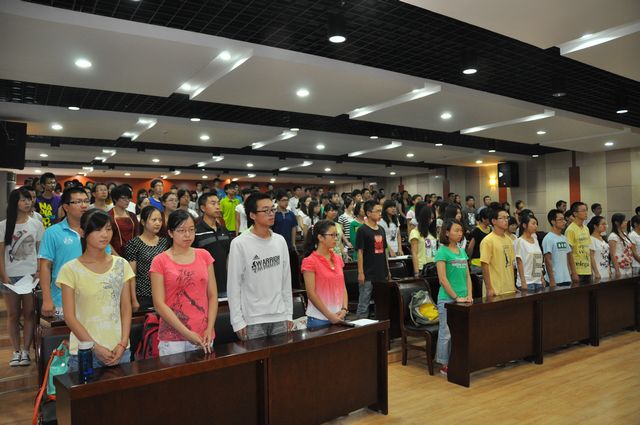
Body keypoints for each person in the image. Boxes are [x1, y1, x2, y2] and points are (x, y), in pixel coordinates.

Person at [57, 209, 134, 371]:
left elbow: (126, 308)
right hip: (84, 352)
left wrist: (123, 343)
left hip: (119, 350)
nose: (104, 235)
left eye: (108, 229)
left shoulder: (121, 264)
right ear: (82, 232)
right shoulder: (70, 269)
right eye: (98, 230)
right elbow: (69, 317)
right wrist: (94, 347)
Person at [150, 210, 217, 355]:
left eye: (191, 230)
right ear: (170, 233)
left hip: (203, 334)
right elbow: (159, 304)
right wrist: (187, 333)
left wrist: (210, 327)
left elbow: (212, 296)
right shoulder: (160, 261)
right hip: (173, 338)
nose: (187, 235)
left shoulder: (204, 255)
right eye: (181, 230)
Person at [227, 193, 293, 340]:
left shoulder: (280, 241)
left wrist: (288, 313)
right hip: (252, 319)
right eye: (265, 210)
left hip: (279, 315)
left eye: (273, 209)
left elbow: (286, 280)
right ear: (252, 215)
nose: (271, 213)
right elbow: (234, 285)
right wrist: (237, 321)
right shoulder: (239, 243)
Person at [39, 187, 112, 316]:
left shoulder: (97, 231)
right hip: (62, 299)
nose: (84, 205)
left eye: (86, 201)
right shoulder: (53, 232)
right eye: (78, 202)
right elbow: (45, 266)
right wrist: (47, 298)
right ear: (66, 207)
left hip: (95, 297)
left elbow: (107, 259)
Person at [0, 188, 44, 366]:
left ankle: (26, 351)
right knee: (12, 315)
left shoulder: (37, 224)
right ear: (14, 203)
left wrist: (39, 271)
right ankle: (16, 351)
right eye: (23, 200)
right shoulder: (3, 225)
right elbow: (1, 254)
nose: (28, 202)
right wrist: (3, 275)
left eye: (29, 199)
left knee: (29, 314)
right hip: (10, 277)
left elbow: (40, 251)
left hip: (30, 276)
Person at [435, 219, 472, 376]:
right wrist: (456, 297)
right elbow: (443, 279)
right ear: (447, 233)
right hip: (447, 298)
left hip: (463, 298)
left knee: (462, 331)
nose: (459, 233)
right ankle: (444, 363)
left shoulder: (462, 251)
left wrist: (469, 294)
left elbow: (467, 276)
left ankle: (459, 360)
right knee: (446, 332)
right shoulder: (442, 252)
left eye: (461, 230)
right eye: (456, 230)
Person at [301, 220, 349, 329]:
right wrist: (329, 316)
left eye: (336, 235)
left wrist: (344, 309)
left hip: (340, 316)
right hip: (319, 319)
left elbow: (343, 286)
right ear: (320, 237)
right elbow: (311, 294)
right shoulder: (310, 261)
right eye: (332, 235)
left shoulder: (337, 258)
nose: (336, 238)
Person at [125, 206, 170, 311]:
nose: (158, 223)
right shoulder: (134, 243)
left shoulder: (165, 242)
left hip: (164, 293)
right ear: (143, 222)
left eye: (160, 220)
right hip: (143, 295)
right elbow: (131, 275)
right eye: (154, 220)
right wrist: (133, 299)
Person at [356, 201, 390, 318]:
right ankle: (361, 326)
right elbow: (360, 252)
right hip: (368, 273)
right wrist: (360, 273)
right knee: (364, 303)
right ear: (369, 213)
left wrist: (388, 270)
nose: (380, 213)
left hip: (381, 272)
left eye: (381, 211)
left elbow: (384, 251)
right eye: (377, 211)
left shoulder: (381, 229)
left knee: (381, 303)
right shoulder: (362, 230)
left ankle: (379, 326)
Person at [193, 193, 231, 296]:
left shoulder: (223, 229)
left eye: (218, 203)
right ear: (203, 208)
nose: (218, 207)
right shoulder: (196, 231)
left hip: (225, 284)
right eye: (213, 203)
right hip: (205, 287)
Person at [480, 208, 516, 297]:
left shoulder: (509, 240)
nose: (506, 220)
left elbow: (510, 265)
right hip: (495, 290)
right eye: (502, 218)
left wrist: (513, 285)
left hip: (509, 288)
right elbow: (484, 265)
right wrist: (489, 288)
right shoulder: (488, 240)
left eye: (507, 218)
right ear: (494, 221)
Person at [542, 209, 577, 287]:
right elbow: (547, 260)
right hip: (555, 280)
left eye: (563, 219)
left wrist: (574, 273)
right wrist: (552, 280)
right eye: (560, 219)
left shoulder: (564, 238)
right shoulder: (548, 238)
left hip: (566, 278)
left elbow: (569, 256)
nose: (564, 222)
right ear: (553, 222)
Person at [514, 215, 544, 291]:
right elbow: (519, 262)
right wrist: (523, 282)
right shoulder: (519, 241)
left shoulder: (535, 240)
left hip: (538, 281)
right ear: (524, 225)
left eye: (536, 224)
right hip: (527, 282)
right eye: (533, 224)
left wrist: (541, 278)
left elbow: (538, 260)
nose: (536, 226)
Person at [108, 185, 139, 256]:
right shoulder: (109, 216)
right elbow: (107, 240)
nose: (127, 201)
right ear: (115, 199)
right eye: (123, 198)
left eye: (128, 198)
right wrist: (116, 256)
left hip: (133, 253)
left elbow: (137, 235)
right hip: (114, 252)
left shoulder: (132, 216)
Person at [565, 202, 592, 283]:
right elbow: (569, 253)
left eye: (586, 210)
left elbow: (588, 249)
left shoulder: (586, 228)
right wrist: (573, 272)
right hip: (577, 270)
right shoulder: (570, 230)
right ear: (575, 213)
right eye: (583, 211)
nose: (586, 213)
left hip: (587, 269)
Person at [410, 203, 438, 277]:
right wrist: (416, 272)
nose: (431, 221)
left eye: (432, 218)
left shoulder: (432, 233)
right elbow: (414, 253)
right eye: (429, 218)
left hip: (434, 267)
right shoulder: (415, 232)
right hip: (422, 268)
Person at [608, 213, 639, 278]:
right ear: (616, 222)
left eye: (626, 220)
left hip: (627, 266)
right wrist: (617, 270)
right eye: (624, 221)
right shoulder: (613, 236)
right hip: (619, 267)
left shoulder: (625, 234)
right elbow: (612, 254)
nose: (626, 222)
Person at [466, 208, 490, 274]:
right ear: (483, 219)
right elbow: (470, 247)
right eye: (488, 218)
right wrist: (469, 259)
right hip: (477, 263)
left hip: (488, 262)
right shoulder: (476, 230)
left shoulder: (490, 229)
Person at [588, 216, 610, 280]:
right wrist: (596, 272)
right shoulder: (591, 239)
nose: (605, 226)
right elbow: (591, 257)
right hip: (598, 271)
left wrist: (609, 269)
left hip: (606, 270)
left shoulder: (602, 239)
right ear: (595, 226)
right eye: (603, 224)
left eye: (606, 224)